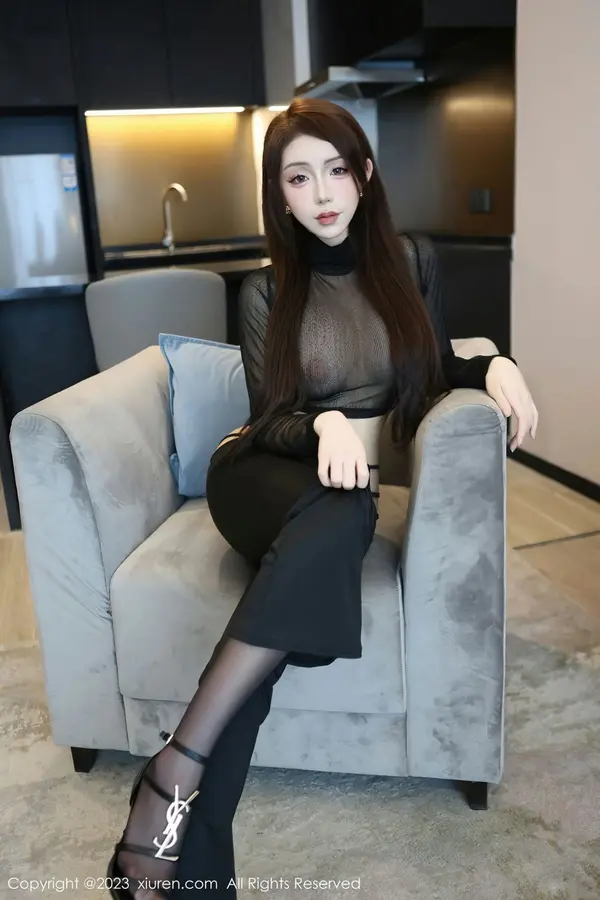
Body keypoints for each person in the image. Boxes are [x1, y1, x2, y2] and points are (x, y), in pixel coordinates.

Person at [107, 98, 538, 899]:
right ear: (280, 195)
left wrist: (491, 365)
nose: (323, 192)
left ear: (365, 175)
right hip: (257, 475)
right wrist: (326, 422)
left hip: (337, 498)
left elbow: (429, 367)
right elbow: (269, 419)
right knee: (343, 506)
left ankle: (174, 807)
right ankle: (176, 782)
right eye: (299, 178)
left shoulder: (413, 261)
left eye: (336, 170)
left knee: (346, 509)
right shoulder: (268, 290)